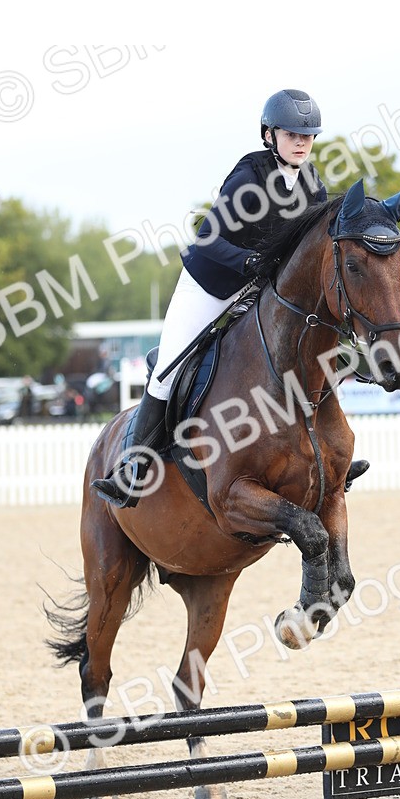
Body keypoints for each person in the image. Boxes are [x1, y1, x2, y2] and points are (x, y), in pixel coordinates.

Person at [93, 88, 328, 507]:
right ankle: (132, 468)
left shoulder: (312, 185)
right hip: (212, 285)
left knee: (308, 354)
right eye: (291, 134)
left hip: (262, 293)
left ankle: (327, 456)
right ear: (269, 135)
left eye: (307, 137)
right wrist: (251, 263)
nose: (300, 143)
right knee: (167, 368)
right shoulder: (250, 176)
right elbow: (207, 241)